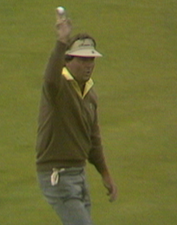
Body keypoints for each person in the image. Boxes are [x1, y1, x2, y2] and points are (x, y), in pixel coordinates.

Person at [35, 9, 117, 225]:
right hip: (57, 175)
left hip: (79, 175)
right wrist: (62, 41)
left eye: (91, 59)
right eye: (82, 60)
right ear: (68, 60)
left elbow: (93, 139)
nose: (88, 65)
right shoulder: (58, 86)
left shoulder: (90, 93)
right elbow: (49, 79)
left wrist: (105, 173)